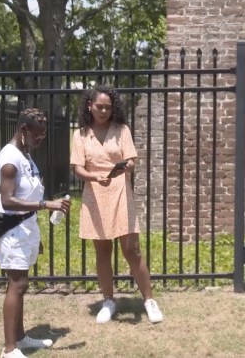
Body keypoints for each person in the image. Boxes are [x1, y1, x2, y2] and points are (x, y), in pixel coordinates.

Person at [70, 86, 163, 324]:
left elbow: (131, 159)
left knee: (132, 250)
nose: (103, 111)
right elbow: (77, 168)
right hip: (95, 195)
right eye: (99, 106)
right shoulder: (80, 134)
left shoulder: (122, 130)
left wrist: (128, 166)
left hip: (121, 191)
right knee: (103, 251)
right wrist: (93, 177)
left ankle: (149, 300)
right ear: (89, 106)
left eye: (108, 107)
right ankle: (108, 300)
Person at [0, 108, 71, 358]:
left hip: (25, 227)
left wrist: (34, 235)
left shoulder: (25, 155)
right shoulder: (9, 159)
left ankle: (20, 338)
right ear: (23, 130)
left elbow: (29, 192)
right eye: (37, 135)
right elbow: (8, 201)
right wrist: (46, 205)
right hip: (13, 229)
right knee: (17, 284)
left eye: (44, 135)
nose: (40, 140)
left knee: (21, 285)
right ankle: (9, 349)